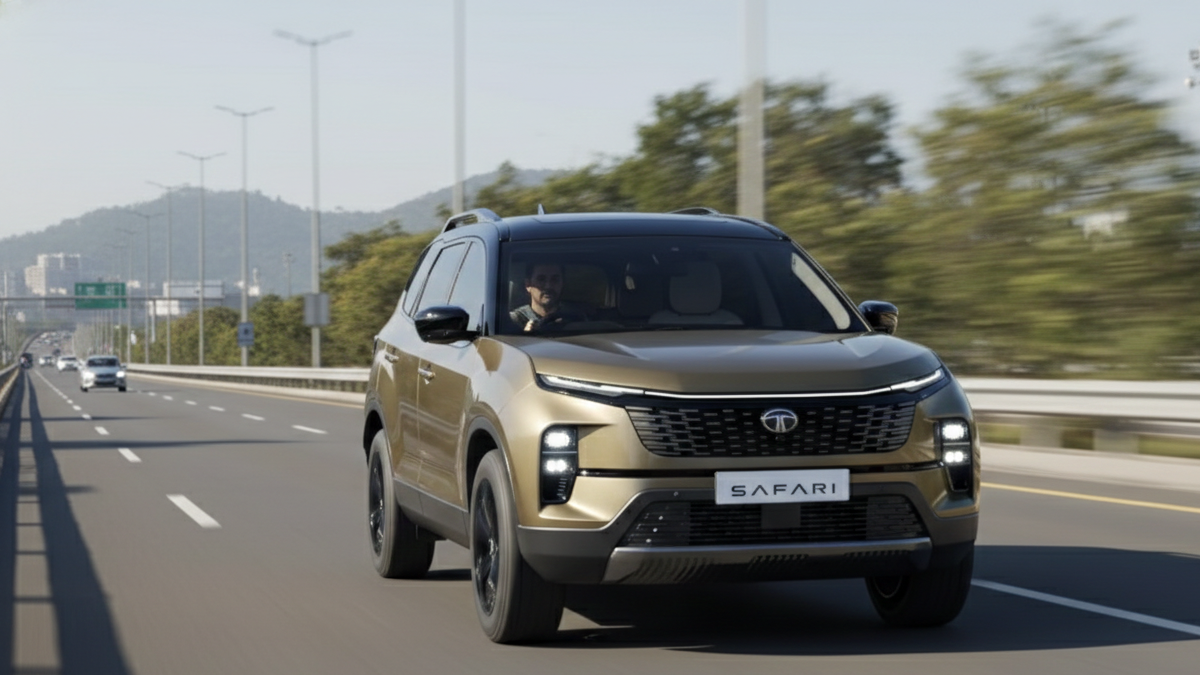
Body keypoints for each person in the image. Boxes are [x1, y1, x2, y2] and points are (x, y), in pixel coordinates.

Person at [509, 261, 588, 332]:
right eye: (541, 279)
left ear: (562, 283)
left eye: (555, 280)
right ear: (528, 285)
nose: (548, 286)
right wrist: (524, 337)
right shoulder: (513, 321)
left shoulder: (577, 318)